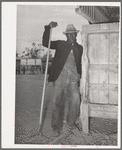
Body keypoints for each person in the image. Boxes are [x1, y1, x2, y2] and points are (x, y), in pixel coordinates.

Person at [42, 21, 83, 137]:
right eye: (69, 34)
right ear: (66, 35)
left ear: (76, 35)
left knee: (75, 101)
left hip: (73, 79)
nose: (71, 36)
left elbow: (82, 63)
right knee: (56, 102)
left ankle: (71, 123)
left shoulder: (80, 48)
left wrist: (81, 76)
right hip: (59, 78)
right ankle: (56, 127)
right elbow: (46, 43)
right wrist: (48, 28)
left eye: (73, 34)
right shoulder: (60, 44)